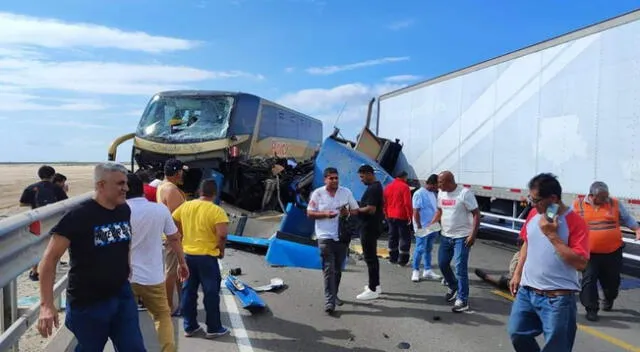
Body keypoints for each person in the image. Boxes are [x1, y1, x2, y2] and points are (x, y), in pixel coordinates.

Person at [36, 162, 146, 351]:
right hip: (89, 303)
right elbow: (50, 258)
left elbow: (124, 240)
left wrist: (126, 266)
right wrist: (47, 305)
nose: (126, 188)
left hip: (122, 294)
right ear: (101, 185)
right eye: (120, 184)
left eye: (126, 183)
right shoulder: (79, 216)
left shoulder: (124, 210)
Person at [508, 173, 589, 351]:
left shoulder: (575, 222)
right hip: (527, 292)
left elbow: (581, 263)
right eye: (531, 198)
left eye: (536, 200)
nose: (532, 204)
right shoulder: (533, 214)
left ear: (553, 198)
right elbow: (527, 243)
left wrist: (552, 235)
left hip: (557, 299)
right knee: (517, 333)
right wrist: (517, 273)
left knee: (556, 347)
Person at [126, 173, 190, 352]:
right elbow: (174, 238)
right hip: (153, 277)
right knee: (162, 316)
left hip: (126, 277)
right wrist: (182, 262)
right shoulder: (160, 210)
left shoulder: (119, 211)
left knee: (127, 321)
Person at [573, 181, 640, 321]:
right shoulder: (577, 205)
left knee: (612, 282)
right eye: (602, 197)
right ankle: (591, 309)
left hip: (612, 252)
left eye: (606, 196)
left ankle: (609, 298)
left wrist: (637, 229)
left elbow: (627, 219)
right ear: (591, 196)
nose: (605, 199)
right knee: (588, 280)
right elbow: (569, 223)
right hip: (589, 253)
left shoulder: (614, 203)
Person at [172, 178, 230, 338]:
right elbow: (223, 234)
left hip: (188, 255)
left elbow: (174, 219)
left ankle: (189, 326)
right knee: (211, 292)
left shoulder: (186, 206)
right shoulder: (216, 210)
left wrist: (181, 234)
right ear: (215, 193)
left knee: (188, 291)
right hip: (206, 258)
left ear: (199, 191)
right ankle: (213, 328)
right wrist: (221, 250)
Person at [307, 167, 360, 314]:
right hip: (324, 236)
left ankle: (334, 294)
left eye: (336, 178)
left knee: (337, 270)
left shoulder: (346, 192)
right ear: (325, 179)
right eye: (331, 178)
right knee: (329, 269)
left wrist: (347, 212)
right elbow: (310, 213)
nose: (335, 180)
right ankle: (329, 301)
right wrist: (325, 214)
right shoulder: (318, 194)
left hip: (342, 236)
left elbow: (356, 210)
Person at [430, 170, 480, 313]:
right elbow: (439, 211)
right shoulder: (441, 193)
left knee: (460, 268)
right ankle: (453, 285)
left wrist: (473, 235)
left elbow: (476, 214)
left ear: (449, 181)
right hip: (446, 236)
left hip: (462, 237)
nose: (438, 185)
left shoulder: (464, 193)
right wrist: (430, 227)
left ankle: (462, 300)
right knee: (442, 264)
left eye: (440, 182)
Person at [19, 165, 68, 281]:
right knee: (51, 245)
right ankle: (49, 270)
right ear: (52, 176)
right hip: (53, 220)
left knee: (36, 245)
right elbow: (65, 203)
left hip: (36, 219)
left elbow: (22, 203)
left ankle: (34, 271)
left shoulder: (31, 188)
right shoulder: (56, 188)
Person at [157, 158, 187, 315]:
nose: (183, 175)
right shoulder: (171, 190)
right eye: (182, 172)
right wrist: (181, 238)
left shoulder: (162, 186)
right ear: (177, 173)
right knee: (171, 272)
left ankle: (181, 303)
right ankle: (169, 307)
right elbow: (177, 218)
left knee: (176, 272)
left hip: (169, 236)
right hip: (174, 237)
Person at [354, 164, 385, 301]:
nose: (361, 180)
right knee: (372, 257)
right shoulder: (375, 187)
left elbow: (371, 209)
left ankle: (373, 289)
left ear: (369, 174)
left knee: (370, 258)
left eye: (362, 176)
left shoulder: (374, 188)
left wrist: (355, 209)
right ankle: (376, 285)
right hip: (371, 226)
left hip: (369, 227)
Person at [411, 174, 442, 282]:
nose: (438, 188)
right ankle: (415, 271)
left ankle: (427, 270)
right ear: (432, 184)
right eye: (437, 185)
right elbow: (416, 211)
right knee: (420, 249)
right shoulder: (419, 193)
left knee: (429, 248)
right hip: (422, 226)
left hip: (432, 225)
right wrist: (419, 227)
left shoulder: (433, 193)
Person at [383, 171, 413, 266]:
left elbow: (384, 202)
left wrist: (386, 214)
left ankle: (393, 258)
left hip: (390, 215)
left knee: (392, 236)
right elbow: (407, 203)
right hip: (402, 215)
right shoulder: (405, 187)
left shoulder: (388, 187)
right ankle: (403, 261)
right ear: (404, 177)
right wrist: (409, 216)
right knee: (404, 237)